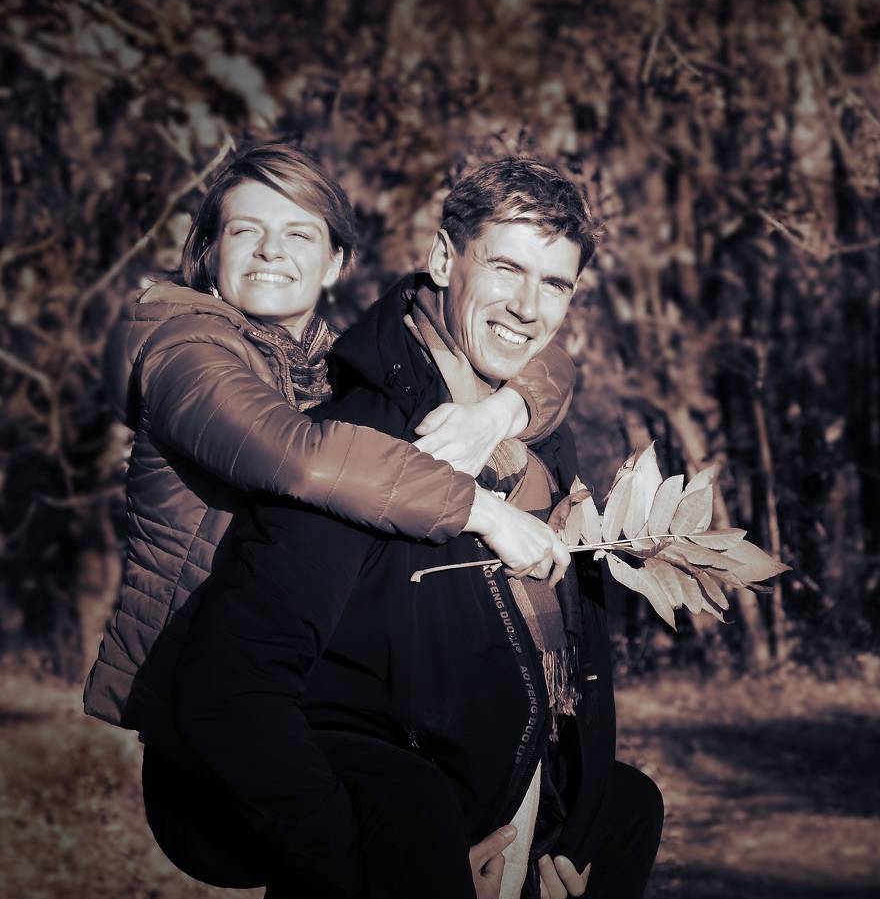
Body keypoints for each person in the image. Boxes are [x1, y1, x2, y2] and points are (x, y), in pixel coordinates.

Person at [160, 157, 662, 899]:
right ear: (443, 259)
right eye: (505, 268)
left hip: (506, 839)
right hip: (388, 870)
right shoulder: (363, 447)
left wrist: (565, 823)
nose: (529, 306)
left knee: (630, 808)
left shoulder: (535, 441)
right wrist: (382, 866)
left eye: (554, 284)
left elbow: (569, 657)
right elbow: (232, 690)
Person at [81, 142, 575, 759]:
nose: (271, 250)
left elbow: (546, 350)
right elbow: (302, 457)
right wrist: (484, 512)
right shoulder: (185, 352)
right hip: (207, 697)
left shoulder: (324, 363)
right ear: (209, 252)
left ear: (335, 261)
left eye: (299, 234)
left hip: (297, 698)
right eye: (246, 230)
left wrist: (500, 411)